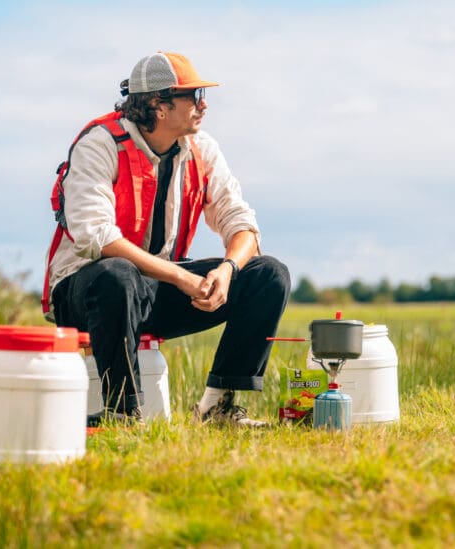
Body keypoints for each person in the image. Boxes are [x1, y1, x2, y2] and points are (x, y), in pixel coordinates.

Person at [42, 51, 290, 427]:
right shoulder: (100, 144)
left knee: (268, 274)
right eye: (192, 96)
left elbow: (241, 222)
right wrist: (180, 277)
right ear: (158, 104)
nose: (203, 105)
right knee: (118, 275)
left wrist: (227, 268)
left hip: (154, 288)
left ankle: (217, 407)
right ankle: (123, 414)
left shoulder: (201, 149)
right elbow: (99, 238)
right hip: (88, 292)